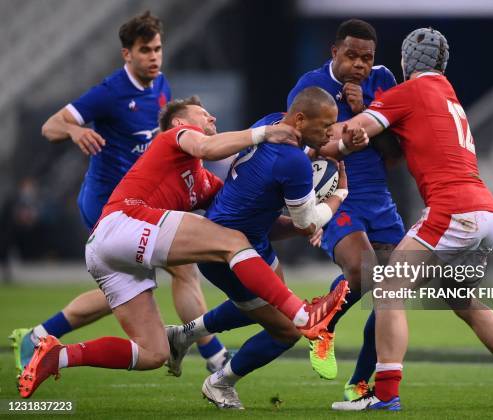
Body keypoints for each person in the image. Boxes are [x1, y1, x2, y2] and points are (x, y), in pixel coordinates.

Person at [17, 96, 349, 399]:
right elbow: (206, 148)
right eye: (203, 114)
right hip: (123, 221)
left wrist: (300, 228)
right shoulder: (174, 138)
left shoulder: (203, 182)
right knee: (233, 243)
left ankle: (57, 356)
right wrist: (263, 133)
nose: (212, 115)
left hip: (111, 254)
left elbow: (234, 219)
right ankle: (305, 315)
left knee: (152, 353)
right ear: (181, 123)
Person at [330, 28, 493, 411]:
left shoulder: (409, 92)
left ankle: (386, 394)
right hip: (486, 211)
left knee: (389, 290)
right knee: (461, 298)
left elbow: (351, 133)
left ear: (407, 61)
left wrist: (300, 133)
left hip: (452, 209)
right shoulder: (449, 94)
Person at [9, 11, 229, 376]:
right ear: (127, 54)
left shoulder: (161, 87)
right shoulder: (110, 92)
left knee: (130, 293)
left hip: (139, 207)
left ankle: (39, 335)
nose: (154, 57)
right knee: (180, 274)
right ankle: (217, 358)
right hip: (106, 207)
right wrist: (76, 131)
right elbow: (51, 126)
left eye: (158, 48)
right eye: (145, 50)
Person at [164, 87, 367, 409]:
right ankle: (220, 382)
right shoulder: (292, 163)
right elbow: (307, 224)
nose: (330, 132)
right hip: (226, 252)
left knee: (260, 310)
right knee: (287, 330)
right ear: (299, 119)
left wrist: (333, 149)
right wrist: (339, 194)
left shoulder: (273, 122)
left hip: (252, 236)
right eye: (325, 125)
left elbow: (293, 166)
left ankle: (185, 334)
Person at [287, 19, 405, 399]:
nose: (360, 65)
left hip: (379, 198)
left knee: (392, 291)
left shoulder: (383, 80)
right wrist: (348, 139)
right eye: (352, 55)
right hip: (335, 192)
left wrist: (367, 113)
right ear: (334, 51)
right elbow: (296, 146)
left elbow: (396, 153)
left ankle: (359, 384)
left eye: (366, 58)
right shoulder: (309, 87)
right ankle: (322, 323)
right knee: (362, 269)